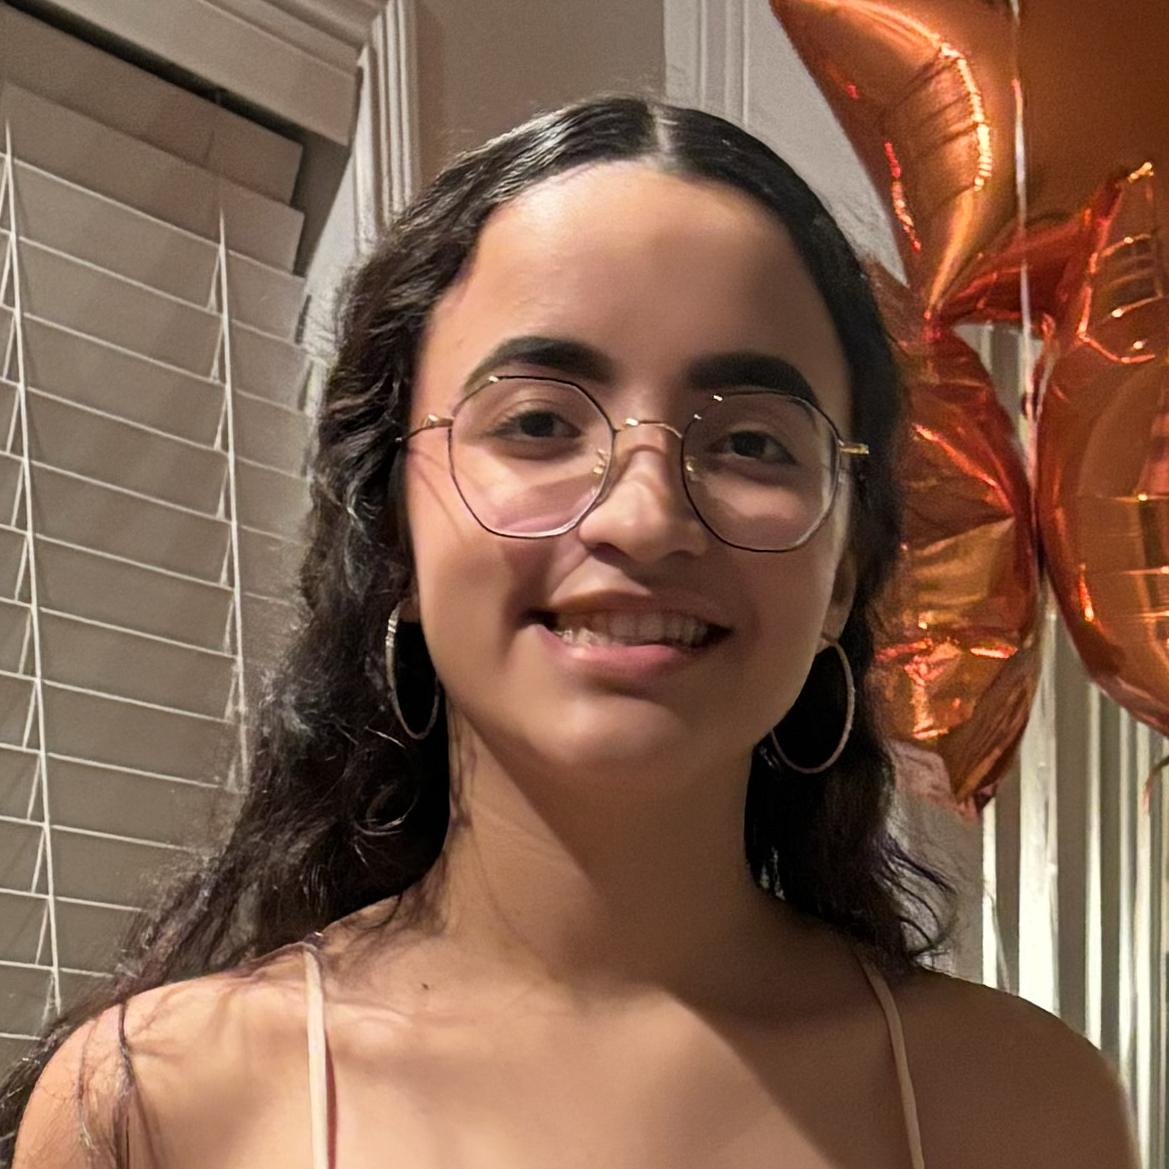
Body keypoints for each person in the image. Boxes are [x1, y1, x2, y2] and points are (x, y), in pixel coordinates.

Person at [2, 96, 1138, 1169]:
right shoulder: (159, 1106)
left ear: (839, 574)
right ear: (393, 531)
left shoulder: (1021, 1108)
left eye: (750, 443)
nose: (643, 516)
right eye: (538, 423)